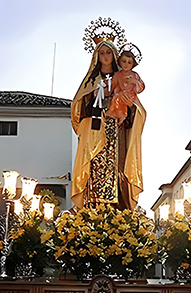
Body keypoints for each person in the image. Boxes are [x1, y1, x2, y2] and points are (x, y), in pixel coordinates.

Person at [70, 31, 145, 210]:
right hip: (95, 129)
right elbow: (78, 106)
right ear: (97, 56)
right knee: (94, 166)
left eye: (108, 52)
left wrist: (129, 105)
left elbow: (137, 107)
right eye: (101, 53)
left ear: (115, 55)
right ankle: (92, 209)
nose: (105, 56)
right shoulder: (90, 80)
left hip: (116, 129)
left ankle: (119, 208)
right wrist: (93, 95)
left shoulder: (125, 77)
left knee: (118, 166)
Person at [107, 47, 144, 126]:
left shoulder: (134, 75)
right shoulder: (118, 75)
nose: (126, 64)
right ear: (119, 61)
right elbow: (112, 85)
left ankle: (121, 115)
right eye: (124, 61)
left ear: (133, 64)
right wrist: (108, 83)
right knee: (117, 96)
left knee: (119, 96)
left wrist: (135, 82)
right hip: (121, 95)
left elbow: (141, 87)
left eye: (129, 62)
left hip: (131, 97)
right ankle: (116, 114)